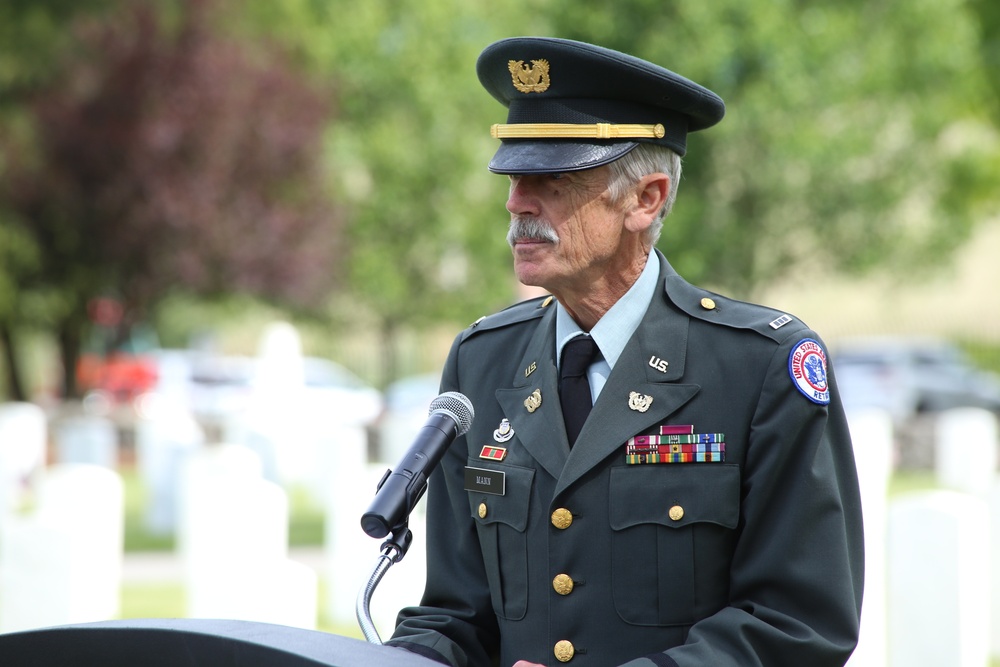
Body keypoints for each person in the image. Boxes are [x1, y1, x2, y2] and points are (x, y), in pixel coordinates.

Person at [386, 36, 864, 667]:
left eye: (551, 179)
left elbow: (798, 624)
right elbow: (457, 613)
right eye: (512, 174)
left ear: (647, 198)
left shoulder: (761, 365)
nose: (515, 201)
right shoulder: (483, 362)